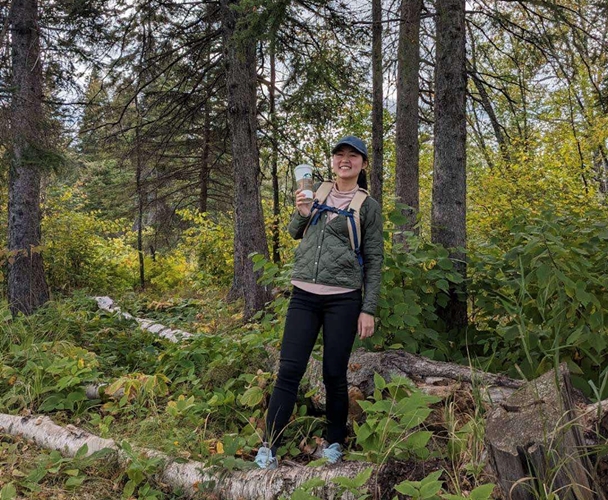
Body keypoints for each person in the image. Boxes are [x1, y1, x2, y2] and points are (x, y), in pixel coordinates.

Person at [254, 136, 384, 469]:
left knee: (334, 373)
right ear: (332, 161)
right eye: (339, 154)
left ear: (363, 164)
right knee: (289, 371)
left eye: (353, 155)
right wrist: (302, 212)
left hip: (344, 299)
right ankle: (269, 447)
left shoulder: (368, 206)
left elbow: (374, 259)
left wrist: (368, 309)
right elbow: (294, 231)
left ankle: (334, 442)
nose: (345, 160)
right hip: (303, 295)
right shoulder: (316, 191)